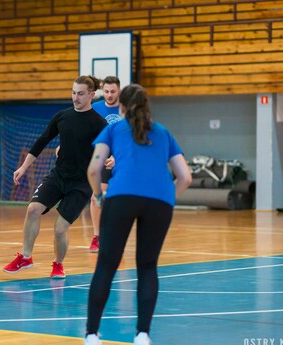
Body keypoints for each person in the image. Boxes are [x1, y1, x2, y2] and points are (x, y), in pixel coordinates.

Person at [83, 84, 192, 345]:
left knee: (106, 266)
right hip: (160, 201)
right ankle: (142, 334)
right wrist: (167, 195)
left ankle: (91, 335)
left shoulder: (113, 129)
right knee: (147, 266)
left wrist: (98, 195)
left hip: (122, 196)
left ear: (121, 105)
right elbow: (185, 177)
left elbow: (93, 170)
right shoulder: (163, 132)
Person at [3, 75, 108, 279]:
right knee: (33, 209)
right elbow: (42, 140)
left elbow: (112, 146)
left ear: (91, 95)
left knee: (60, 229)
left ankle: (58, 264)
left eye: (80, 94)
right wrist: (24, 167)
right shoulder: (62, 116)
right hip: (58, 176)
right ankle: (25, 257)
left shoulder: (99, 123)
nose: (75, 98)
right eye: (73, 92)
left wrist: (112, 158)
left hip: (81, 184)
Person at [87, 76, 122, 253]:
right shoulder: (96, 108)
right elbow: (83, 130)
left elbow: (130, 137)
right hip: (101, 156)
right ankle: (97, 236)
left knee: (118, 199)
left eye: (113, 92)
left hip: (123, 158)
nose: (109, 95)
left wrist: (117, 155)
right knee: (97, 197)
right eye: (106, 91)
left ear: (119, 91)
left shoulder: (126, 109)